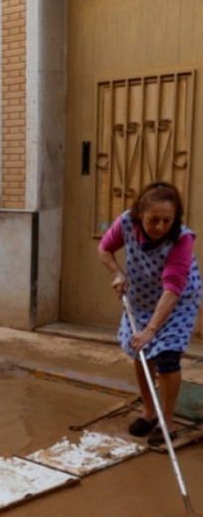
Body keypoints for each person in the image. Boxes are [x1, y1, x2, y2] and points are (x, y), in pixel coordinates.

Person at [98, 182, 203, 446]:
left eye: (167, 220)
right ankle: (149, 411)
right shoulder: (125, 223)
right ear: (140, 215)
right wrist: (117, 272)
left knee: (167, 356)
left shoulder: (181, 238)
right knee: (141, 351)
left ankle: (168, 420)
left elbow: (173, 287)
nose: (159, 226)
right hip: (142, 295)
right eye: (153, 219)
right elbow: (105, 248)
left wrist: (152, 329)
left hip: (177, 299)